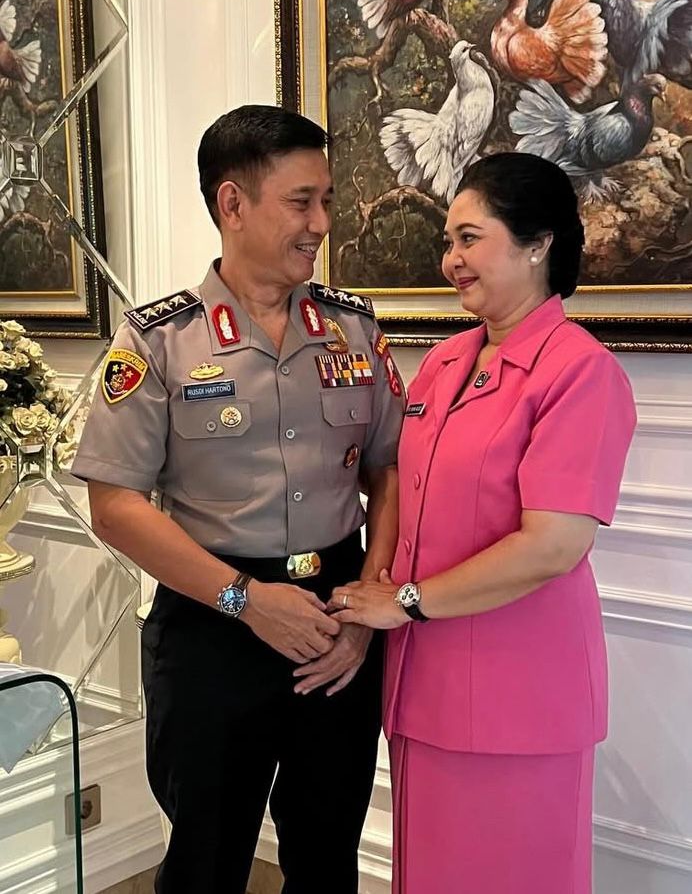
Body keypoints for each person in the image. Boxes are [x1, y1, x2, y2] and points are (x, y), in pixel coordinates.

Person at [71, 105, 404, 894]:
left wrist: (367, 605)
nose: (322, 223)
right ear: (233, 204)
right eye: (302, 202)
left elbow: (389, 471)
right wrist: (247, 600)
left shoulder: (353, 330)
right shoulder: (158, 340)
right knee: (207, 863)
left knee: (327, 857)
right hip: (212, 625)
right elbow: (115, 505)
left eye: (327, 200)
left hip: (336, 622)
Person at [329, 152, 637, 894]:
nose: (451, 260)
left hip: (518, 697)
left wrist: (405, 602)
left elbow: (553, 546)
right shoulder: (444, 363)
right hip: (424, 684)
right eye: (449, 241)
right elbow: (403, 488)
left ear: (538, 245)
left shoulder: (581, 371)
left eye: (470, 238)